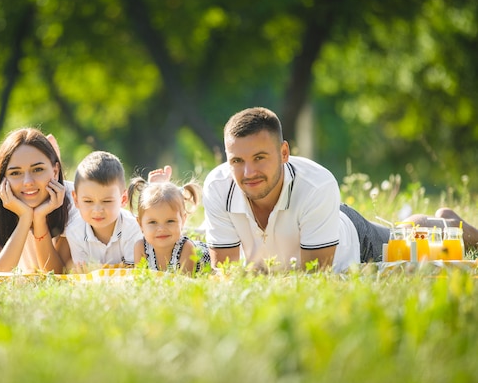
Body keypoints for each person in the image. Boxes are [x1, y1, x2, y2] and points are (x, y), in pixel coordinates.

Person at [202, 107, 478, 273]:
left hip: (352, 240)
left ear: (284, 152)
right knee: (403, 233)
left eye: (260, 157)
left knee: (411, 244)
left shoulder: (316, 185)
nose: (248, 173)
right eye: (237, 161)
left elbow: (316, 276)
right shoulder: (218, 187)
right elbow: (225, 271)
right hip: (313, 229)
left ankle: (451, 224)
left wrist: (259, 275)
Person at [0, 128, 76, 273]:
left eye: (37, 169)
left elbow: (58, 275)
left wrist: (39, 219)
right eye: (15, 173)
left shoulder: (76, 200)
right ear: (3, 179)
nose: (27, 182)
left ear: (55, 171)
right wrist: (25, 218)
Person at [66, 151, 142, 270]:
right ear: (76, 199)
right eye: (88, 201)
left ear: (123, 199)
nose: (97, 210)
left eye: (107, 201)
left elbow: (133, 272)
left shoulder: (133, 228)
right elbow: (84, 273)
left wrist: (99, 269)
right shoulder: (74, 231)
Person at [129, 178, 211, 274]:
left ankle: (204, 230)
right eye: (153, 222)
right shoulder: (140, 247)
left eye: (170, 221)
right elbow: (141, 279)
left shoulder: (187, 248)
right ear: (140, 224)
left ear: (183, 220)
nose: (161, 229)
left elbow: (183, 283)